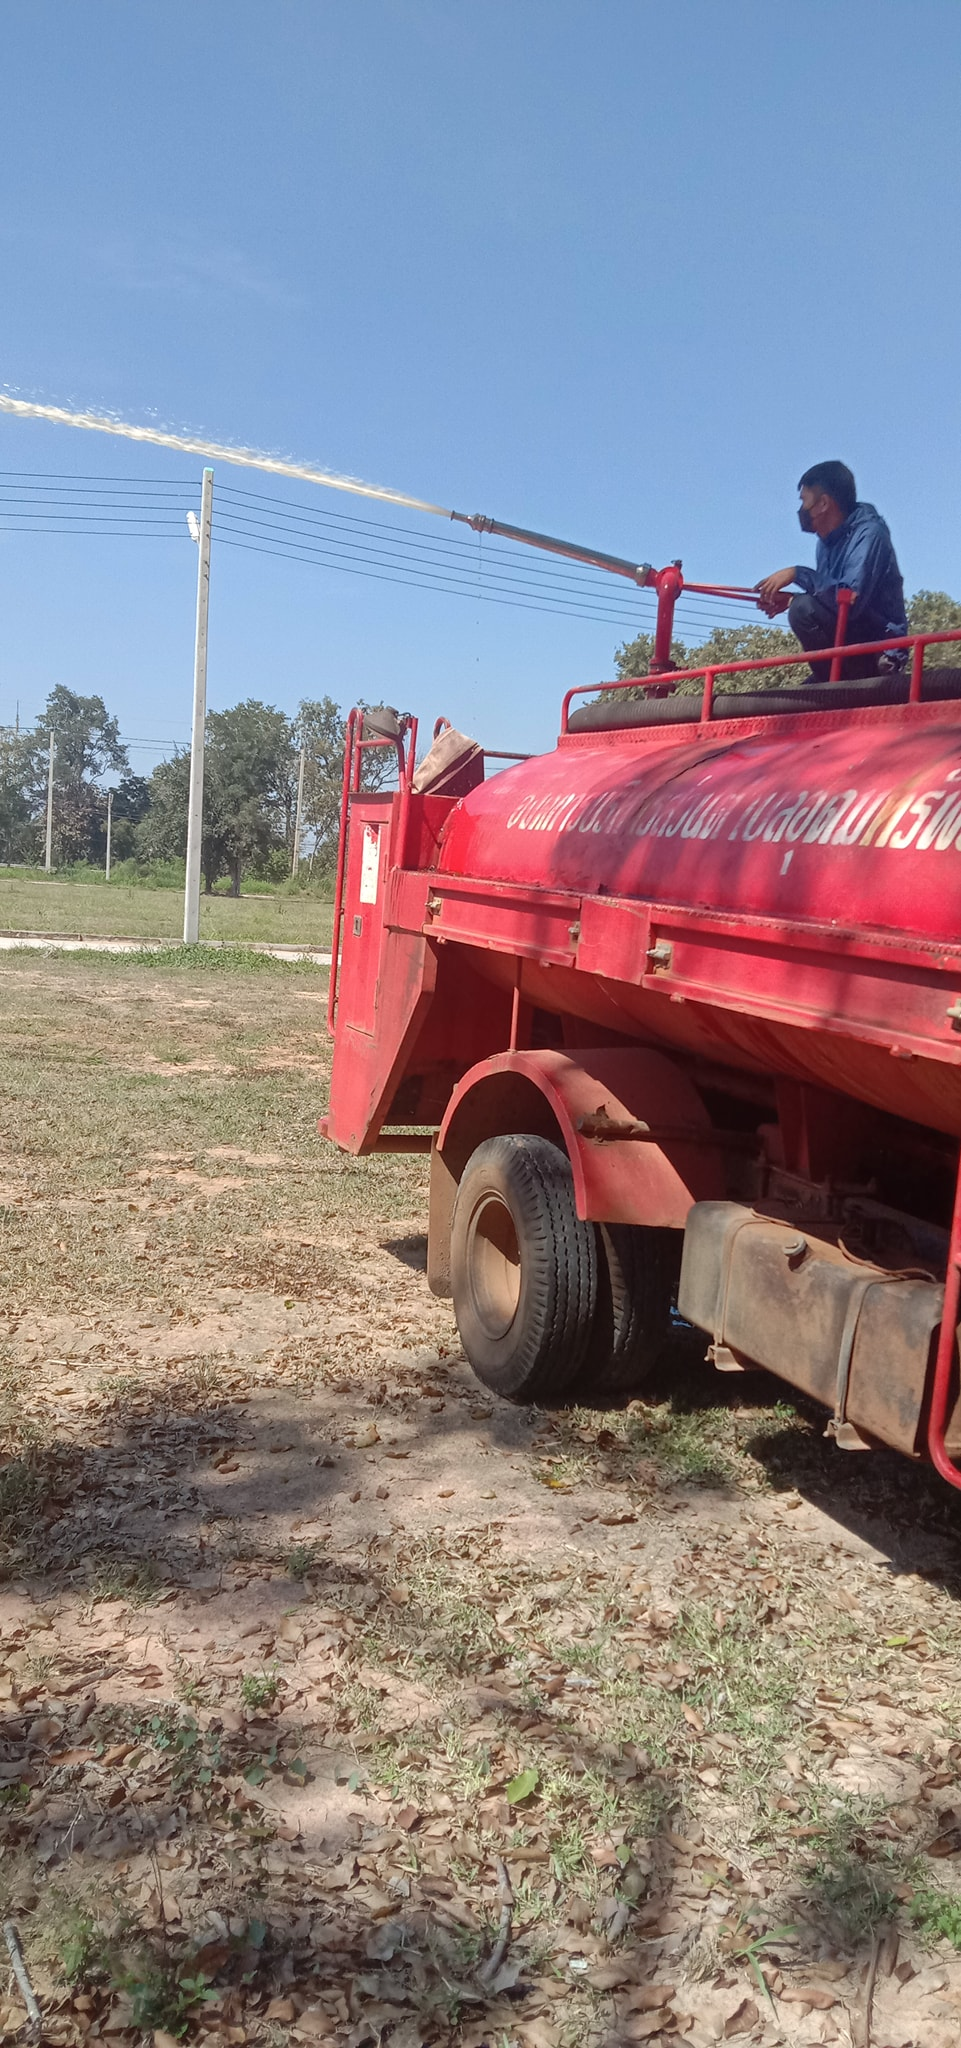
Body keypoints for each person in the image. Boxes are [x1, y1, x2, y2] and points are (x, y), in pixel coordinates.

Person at [756, 461, 907, 681]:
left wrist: (798, 574)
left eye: (804, 501)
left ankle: (837, 685)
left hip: (877, 652)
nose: (801, 510)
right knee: (798, 700)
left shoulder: (870, 534)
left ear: (823, 503)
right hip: (850, 642)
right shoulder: (825, 544)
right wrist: (791, 600)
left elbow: (850, 599)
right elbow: (831, 597)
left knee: (802, 610)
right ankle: (830, 684)